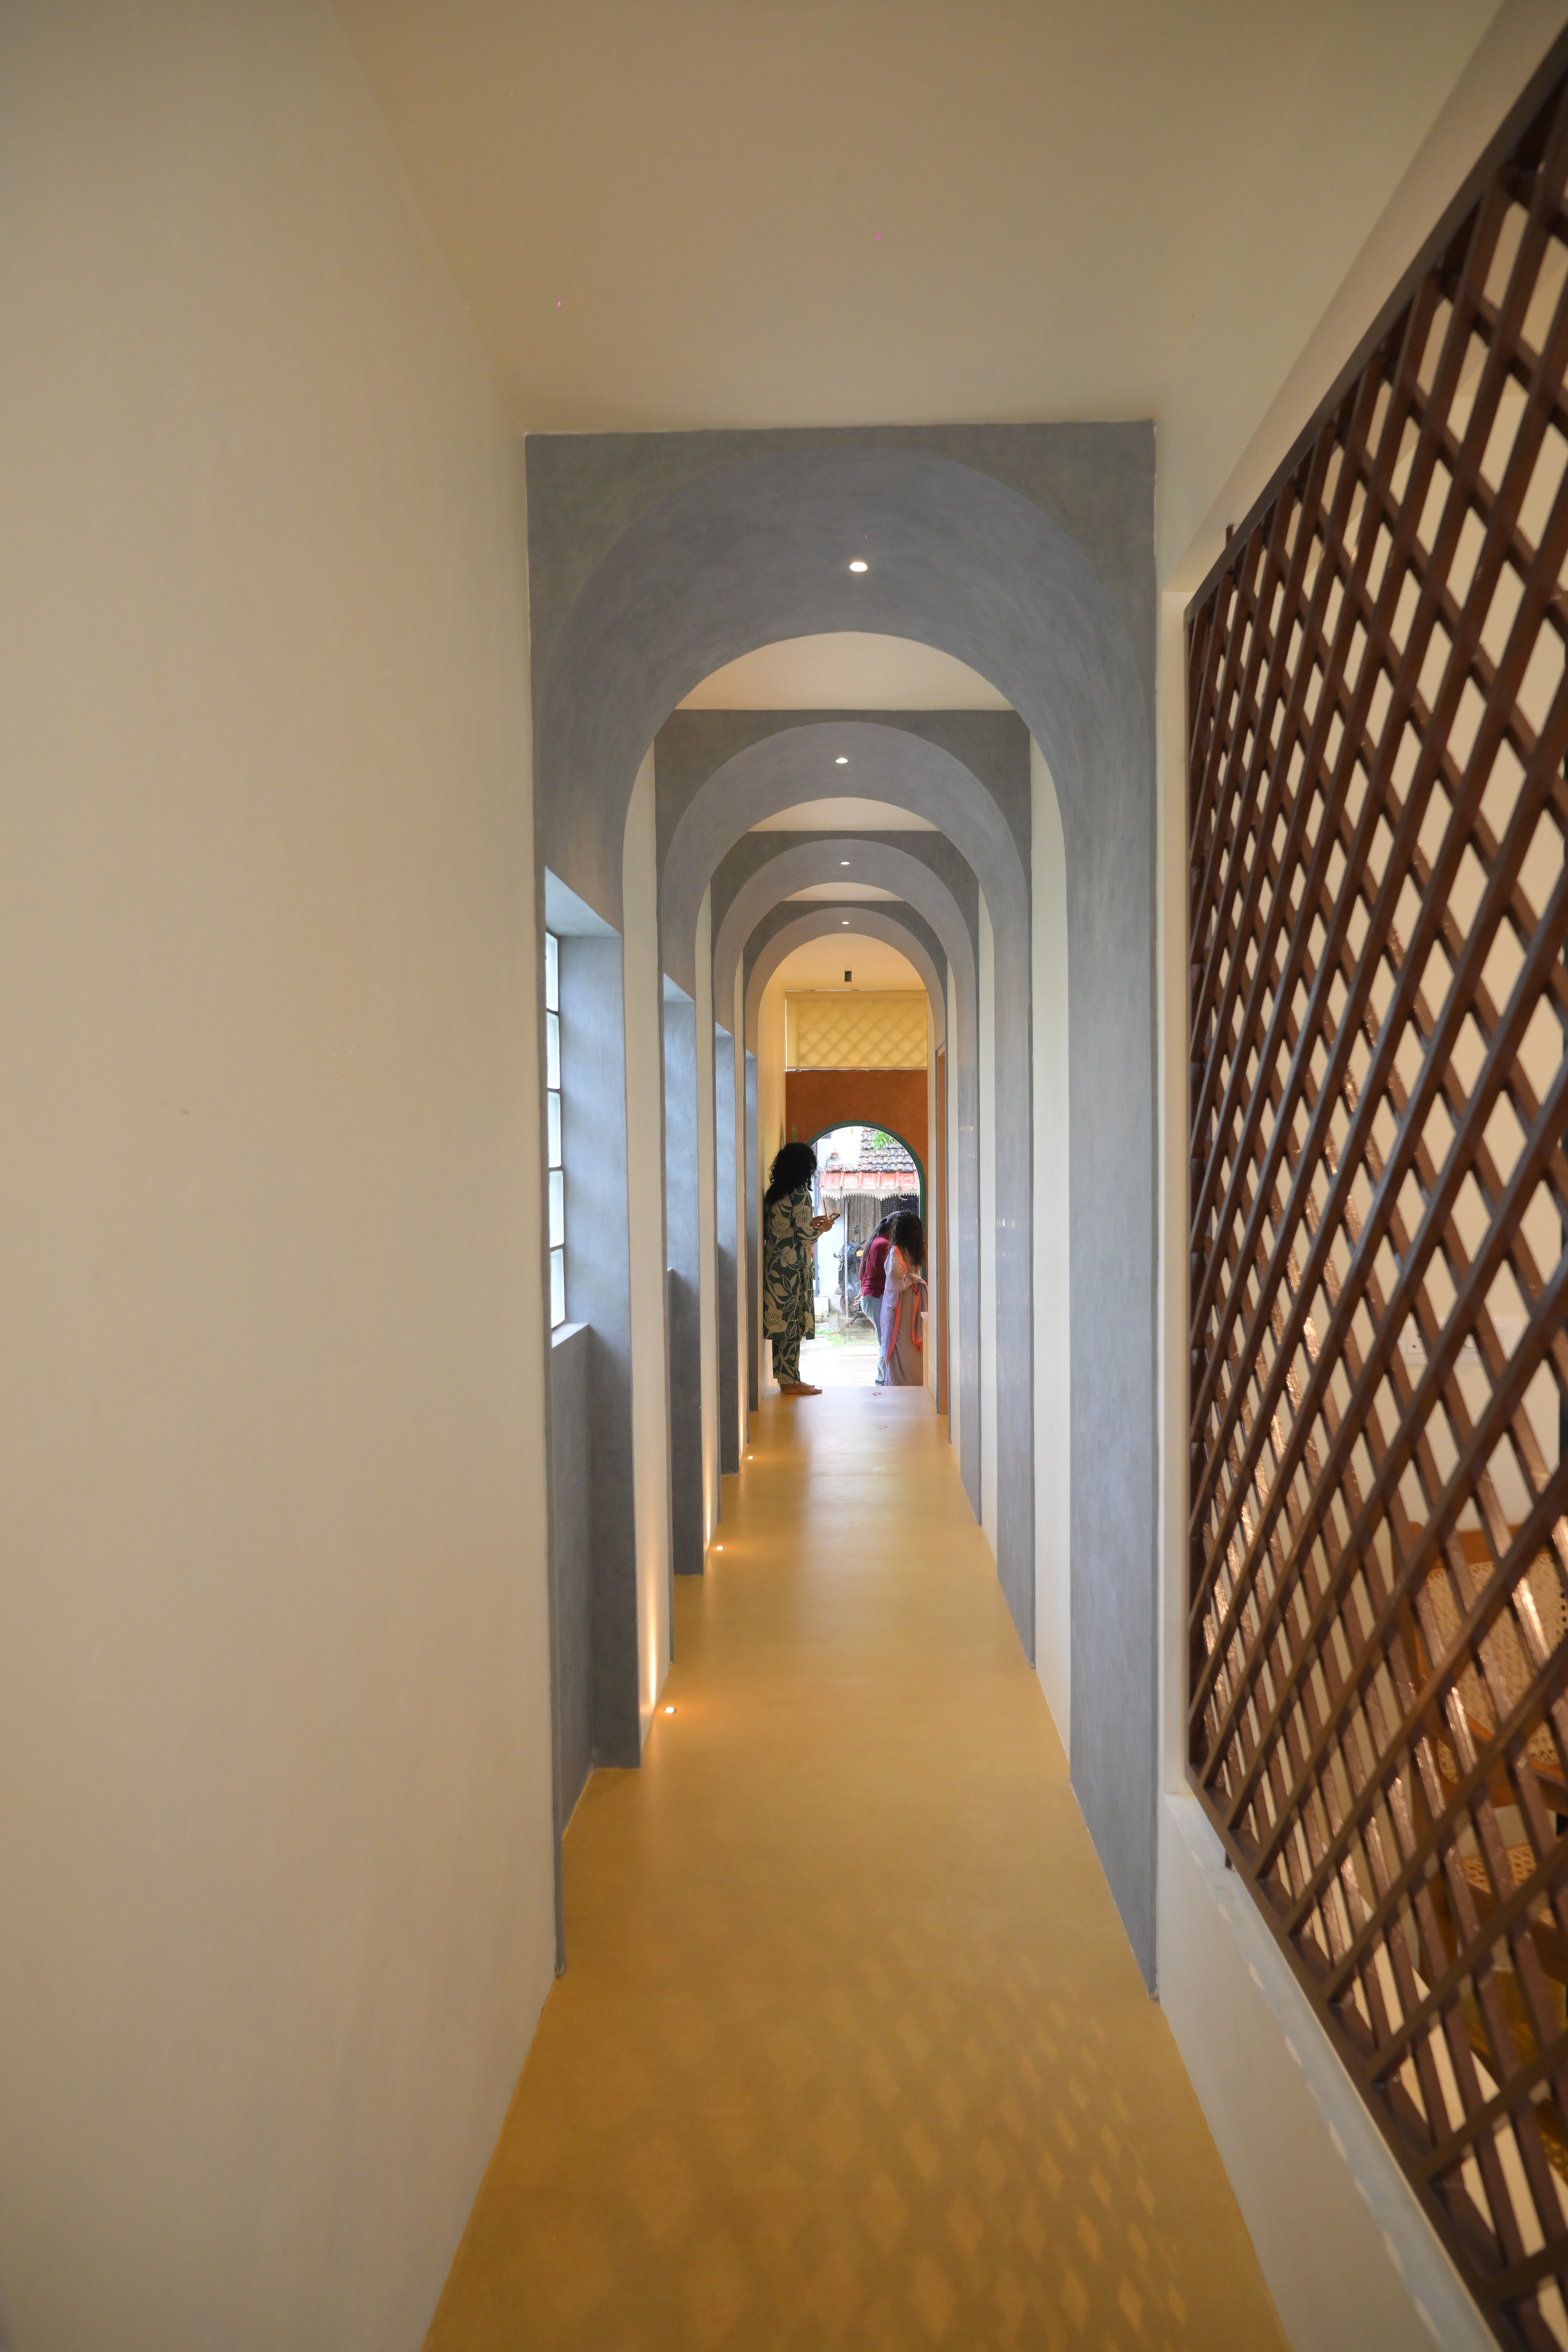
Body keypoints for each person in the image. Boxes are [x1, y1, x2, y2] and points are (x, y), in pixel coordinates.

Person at [761, 1141, 838, 1396]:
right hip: (792, 1270)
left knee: (782, 1326)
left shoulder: (774, 1194)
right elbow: (807, 1236)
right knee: (793, 1326)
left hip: (774, 1268)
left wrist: (810, 1224)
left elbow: (786, 1228)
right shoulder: (800, 1194)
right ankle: (791, 1384)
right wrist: (823, 1228)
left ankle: (788, 1381)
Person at [879, 1210, 927, 1388]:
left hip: (901, 1301)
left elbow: (894, 1277)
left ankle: (900, 1387)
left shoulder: (897, 1250)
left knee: (899, 1342)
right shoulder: (915, 1251)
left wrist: (909, 1280)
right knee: (910, 1344)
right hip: (913, 1299)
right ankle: (916, 1385)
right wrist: (914, 1279)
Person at [859, 1214, 896, 1381]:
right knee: (885, 1343)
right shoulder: (884, 1245)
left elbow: (862, 1272)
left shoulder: (873, 1242)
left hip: (870, 1297)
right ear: (892, 1230)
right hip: (875, 1297)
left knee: (883, 1341)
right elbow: (893, 1272)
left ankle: (883, 1381)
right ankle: (881, 1382)